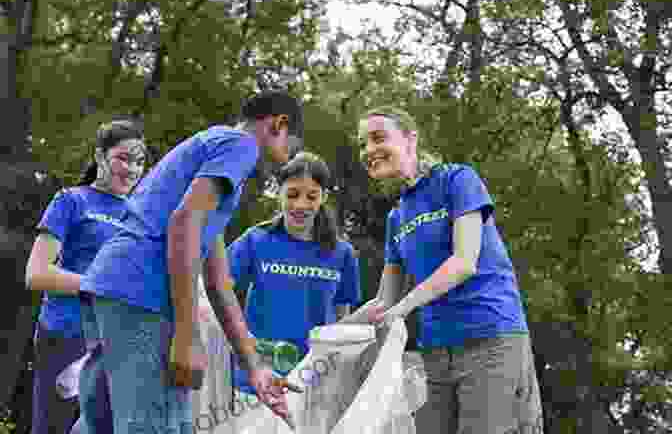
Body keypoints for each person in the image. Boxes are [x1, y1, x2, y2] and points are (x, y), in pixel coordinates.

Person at [77, 90, 305, 434]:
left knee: (105, 424)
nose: (287, 159)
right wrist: (186, 335)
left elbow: (217, 283)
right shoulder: (239, 146)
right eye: (292, 147)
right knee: (159, 424)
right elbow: (183, 223)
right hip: (143, 293)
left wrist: (255, 367)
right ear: (279, 124)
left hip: (110, 290)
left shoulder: (208, 161)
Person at [345, 106, 544, 434]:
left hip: (491, 339)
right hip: (436, 353)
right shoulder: (397, 218)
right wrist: (328, 333)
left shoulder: (456, 180)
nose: (368, 150)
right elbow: (384, 302)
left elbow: (464, 262)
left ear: (411, 140)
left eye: (378, 138)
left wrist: (403, 308)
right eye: (362, 144)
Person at [25, 120, 147, 434]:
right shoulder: (72, 201)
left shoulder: (143, 216)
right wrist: (102, 286)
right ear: (100, 156)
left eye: (139, 161)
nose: (132, 168)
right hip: (65, 336)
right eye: (123, 157)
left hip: (118, 346)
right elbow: (36, 273)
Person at [227, 152, 361, 399]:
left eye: (312, 196)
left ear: (324, 198)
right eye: (292, 194)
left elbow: (343, 320)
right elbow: (217, 291)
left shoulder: (342, 253)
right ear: (279, 192)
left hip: (315, 380)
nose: (300, 205)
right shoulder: (255, 240)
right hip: (256, 381)